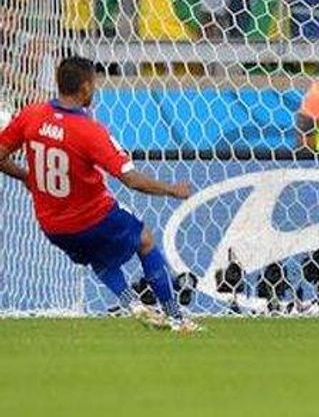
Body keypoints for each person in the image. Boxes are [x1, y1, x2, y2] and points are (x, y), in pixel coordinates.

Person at [0, 56, 196, 331]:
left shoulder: (30, 115)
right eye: (93, 83)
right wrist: (172, 189)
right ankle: (177, 318)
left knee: (96, 256)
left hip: (53, 226)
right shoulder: (90, 131)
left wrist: (26, 176)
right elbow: (131, 180)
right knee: (144, 239)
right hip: (92, 217)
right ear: (85, 88)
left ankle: (132, 302)